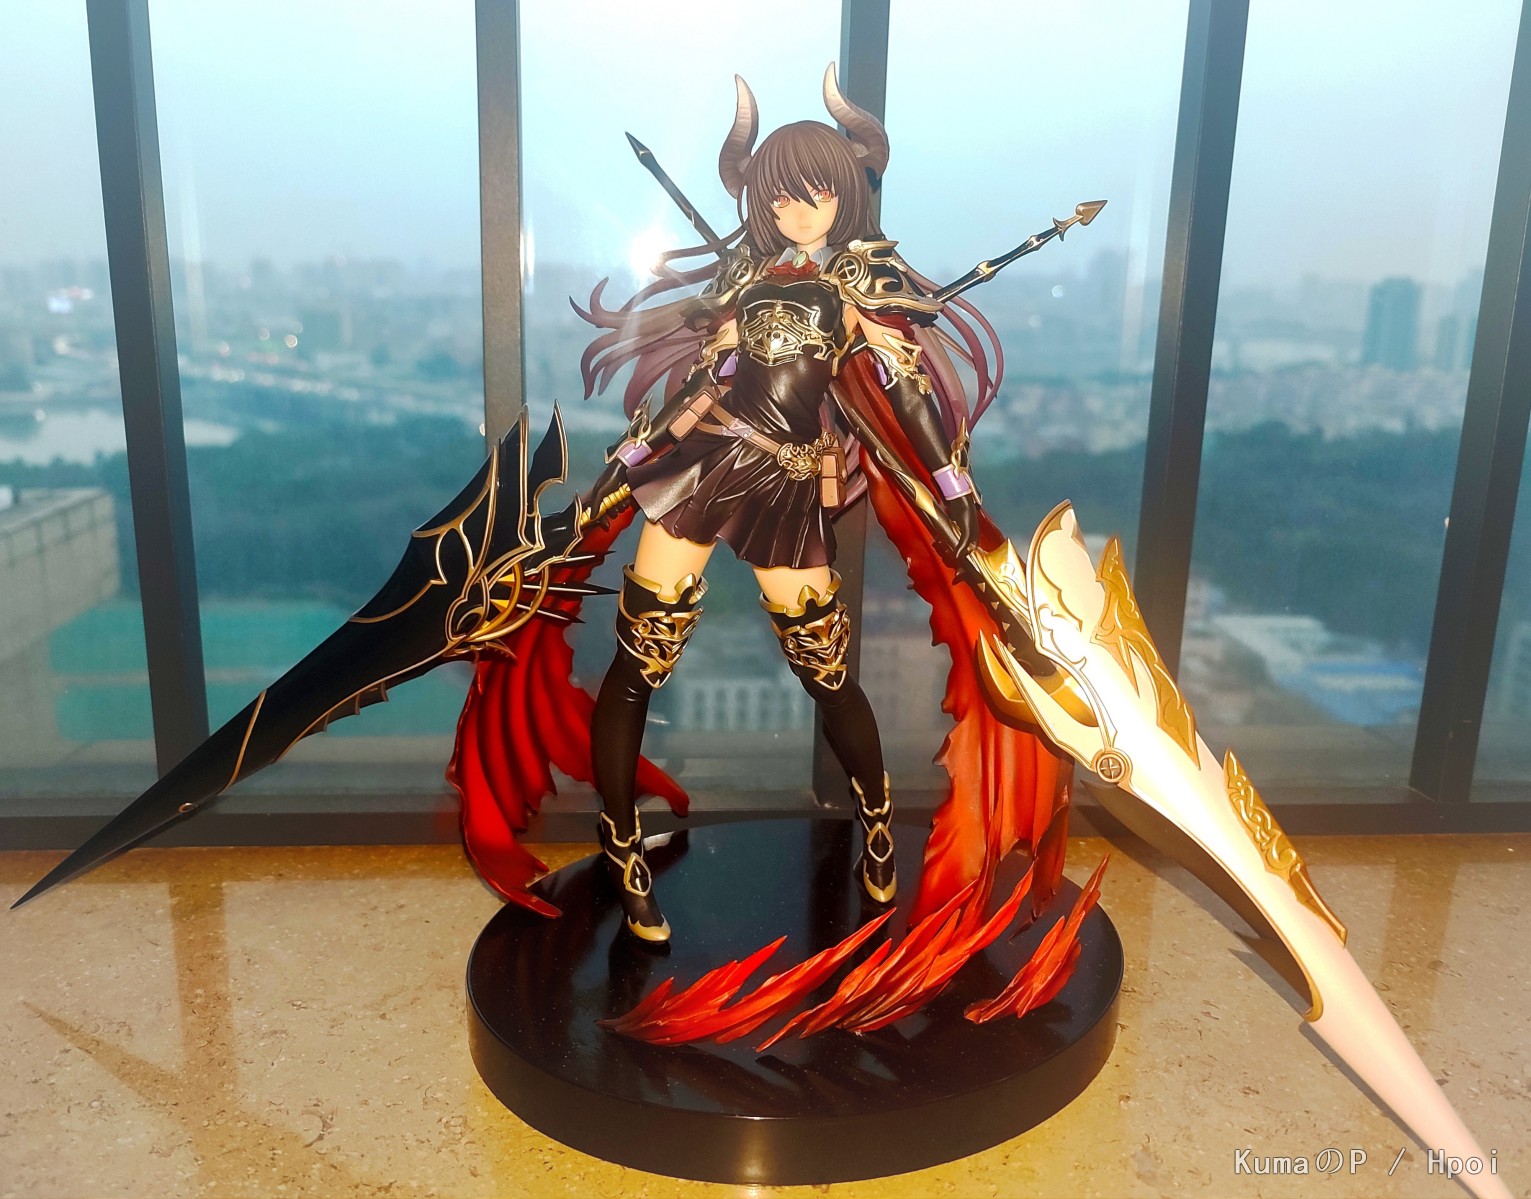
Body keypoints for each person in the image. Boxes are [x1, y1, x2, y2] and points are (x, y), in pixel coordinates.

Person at [575, 67, 995, 943]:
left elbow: (907, 390)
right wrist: (625, 465)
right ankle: (619, 843)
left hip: (790, 481)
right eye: (779, 196)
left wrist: (952, 485)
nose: (797, 211)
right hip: (705, 463)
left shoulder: (860, 281)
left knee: (825, 670)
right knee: (638, 661)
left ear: (845, 193)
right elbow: (696, 389)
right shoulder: (743, 275)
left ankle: (875, 818)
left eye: (814, 193)